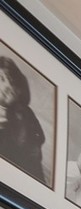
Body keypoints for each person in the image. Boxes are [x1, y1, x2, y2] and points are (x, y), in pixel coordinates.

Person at [0, 55, 47, 186]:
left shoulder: (23, 112)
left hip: (24, 173)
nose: (7, 86)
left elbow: (39, 137)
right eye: (2, 79)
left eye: (11, 82)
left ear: (19, 90)